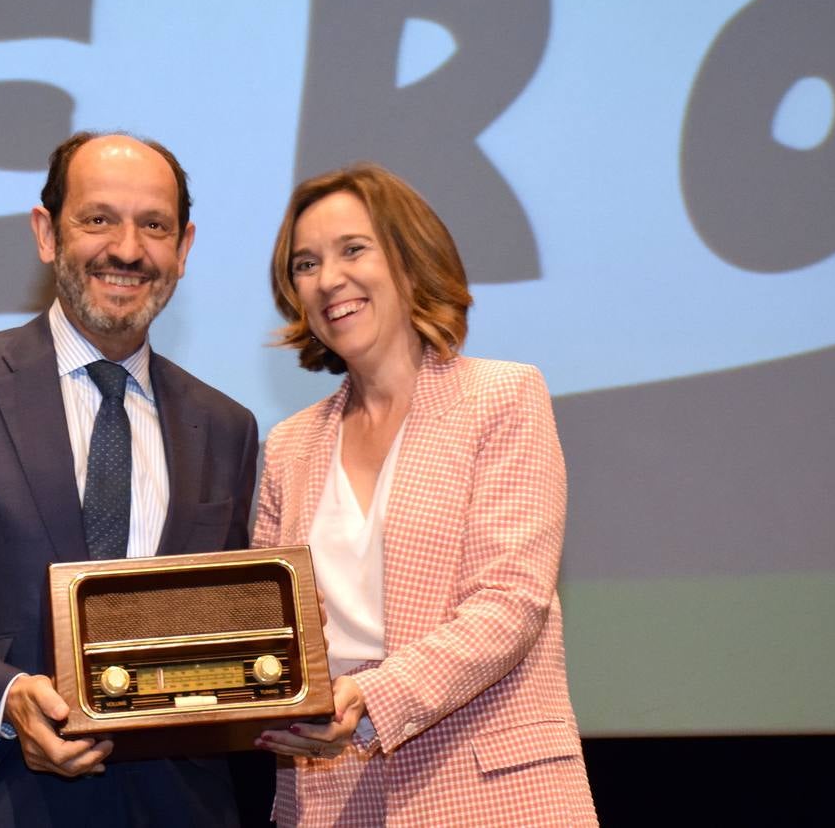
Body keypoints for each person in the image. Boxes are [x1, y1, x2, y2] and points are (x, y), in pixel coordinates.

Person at [0, 132, 261, 826]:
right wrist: (6, 699)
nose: (126, 249)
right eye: (98, 219)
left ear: (183, 249)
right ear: (46, 233)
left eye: (153, 226)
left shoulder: (226, 427)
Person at [252, 164, 598, 826]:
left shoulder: (502, 397)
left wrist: (367, 702)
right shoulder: (289, 446)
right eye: (305, 264)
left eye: (353, 249)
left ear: (410, 259)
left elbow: (508, 607)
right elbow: (271, 632)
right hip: (328, 802)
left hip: (491, 796)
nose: (328, 280)